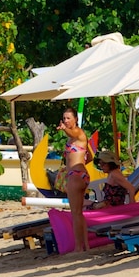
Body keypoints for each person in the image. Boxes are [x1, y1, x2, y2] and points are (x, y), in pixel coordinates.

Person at [57, 107, 91, 252]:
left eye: (68, 118)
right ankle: (86, 246)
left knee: (75, 213)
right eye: (64, 118)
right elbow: (90, 157)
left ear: (76, 119)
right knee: (79, 213)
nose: (66, 121)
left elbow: (72, 132)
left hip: (76, 176)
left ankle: (78, 247)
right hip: (78, 174)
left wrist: (64, 129)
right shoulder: (73, 138)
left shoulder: (78, 132)